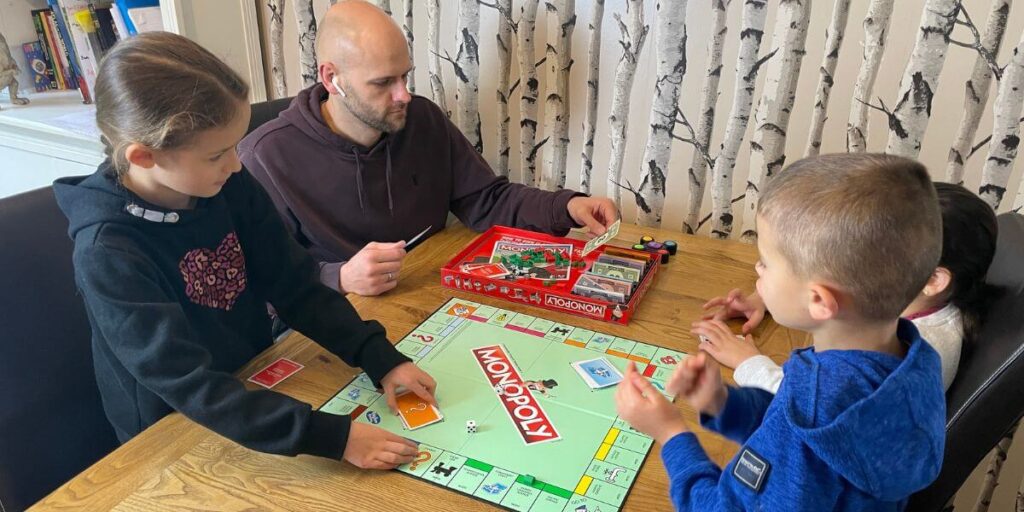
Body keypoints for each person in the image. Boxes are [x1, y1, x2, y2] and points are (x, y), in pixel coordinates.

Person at [54, 32, 437, 470]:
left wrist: (379, 358)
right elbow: (188, 385)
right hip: (170, 430)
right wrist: (335, 438)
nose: (237, 164)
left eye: (236, 144)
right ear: (144, 157)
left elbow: (297, 286)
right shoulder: (107, 250)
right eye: (218, 154)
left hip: (255, 378)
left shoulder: (227, 183)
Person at [615, 153, 946, 509]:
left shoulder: (816, 413)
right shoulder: (913, 360)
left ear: (819, 300)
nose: (756, 269)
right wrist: (723, 403)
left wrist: (670, 433)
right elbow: (788, 420)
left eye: (766, 263)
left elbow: (729, 500)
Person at [239, 0, 618, 297]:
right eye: (383, 82)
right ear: (331, 78)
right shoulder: (265, 157)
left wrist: (567, 206)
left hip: (429, 293)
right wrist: (339, 277)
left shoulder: (422, 119)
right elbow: (257, 277)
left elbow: (487, 200)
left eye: (404, 75)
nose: (403, 94)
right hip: (339, 321)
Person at [696, 182, 1000, 392]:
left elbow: (807, 408)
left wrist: (747, 362)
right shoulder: (905, 299)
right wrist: (764, 296)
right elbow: (835, 291)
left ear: (933, 280)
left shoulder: (904, 352)